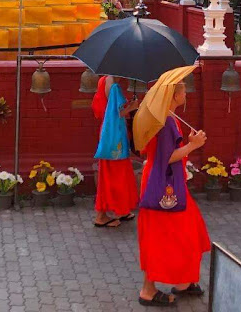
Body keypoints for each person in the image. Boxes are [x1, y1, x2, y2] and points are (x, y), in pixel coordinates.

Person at [135, 69, 210, 306]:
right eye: (184, 90)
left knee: (188, 230)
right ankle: (148, 290)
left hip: (164, 181)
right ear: (175, 96)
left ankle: (183, 281)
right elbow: (166, 157)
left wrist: (186, 142)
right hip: (162, 184)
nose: (186, 93)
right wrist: (193, 146)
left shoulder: (167, 118)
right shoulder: (165, 122)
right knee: (164, 235)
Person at [92, 75, 139, 228]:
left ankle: (122, 209)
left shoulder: (104, 80)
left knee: (117, 172)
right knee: (114, 174)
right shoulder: (113, 86)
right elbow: (113, 114)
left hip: (110, 134)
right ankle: (101, 216)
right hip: (113, 137)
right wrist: (132, 107)